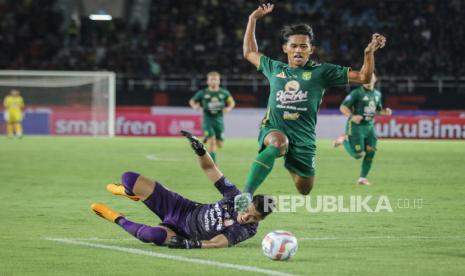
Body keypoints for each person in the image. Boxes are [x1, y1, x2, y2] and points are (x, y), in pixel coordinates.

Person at [235, 3, 387, 210]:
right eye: (294, 46)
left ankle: (289, 159)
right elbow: (249, 51)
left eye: (303, 46)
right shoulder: (274, 68)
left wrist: (369, 53)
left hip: (304, 137)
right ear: (285, 48)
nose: (298, 50)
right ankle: (245, 195)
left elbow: (363, 77)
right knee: (277, 143)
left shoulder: (322, 72)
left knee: (304, 188)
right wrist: (252, 19)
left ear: (311, 50)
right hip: (274, 128)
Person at [91, 131, 273, 249]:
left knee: (152, 235)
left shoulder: (248, 229)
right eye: (248, 212)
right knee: (128, 178)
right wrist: (201, 151)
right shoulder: (237, 197)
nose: (247, 217)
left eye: (254, 218)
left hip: (182, 232)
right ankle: (129, 192)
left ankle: (116, 217)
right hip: (181, 207)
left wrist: (191, 243)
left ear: (259, 220)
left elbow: (218, 243)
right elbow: (211, 170)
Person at [333, 73, 392, 185]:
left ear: (375, 79)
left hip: (369, 127)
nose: (369, 80)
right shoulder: (356, 93)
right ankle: (343, 140)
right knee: (358, 155)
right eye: (367, 78)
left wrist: (385, 112)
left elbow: (378, 110)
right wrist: (352, 116)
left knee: (371, 151)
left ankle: (362, 178)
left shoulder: (377, 94)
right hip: (356, 127)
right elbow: (343, 107)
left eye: (371, 77)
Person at [189, 71, 235, 163]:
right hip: (208, 120)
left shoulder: (224, 93)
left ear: (219, 81)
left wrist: (229, 108)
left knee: (220, 144)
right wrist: (195, 106)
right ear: (207, 82)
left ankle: (207, 137)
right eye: (211, 79)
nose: (213, 81)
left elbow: (232, 102)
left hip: (219, 121)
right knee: (212, 142)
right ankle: (213, 164)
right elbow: (192, 101)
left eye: (215, 79)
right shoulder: (203, 93)